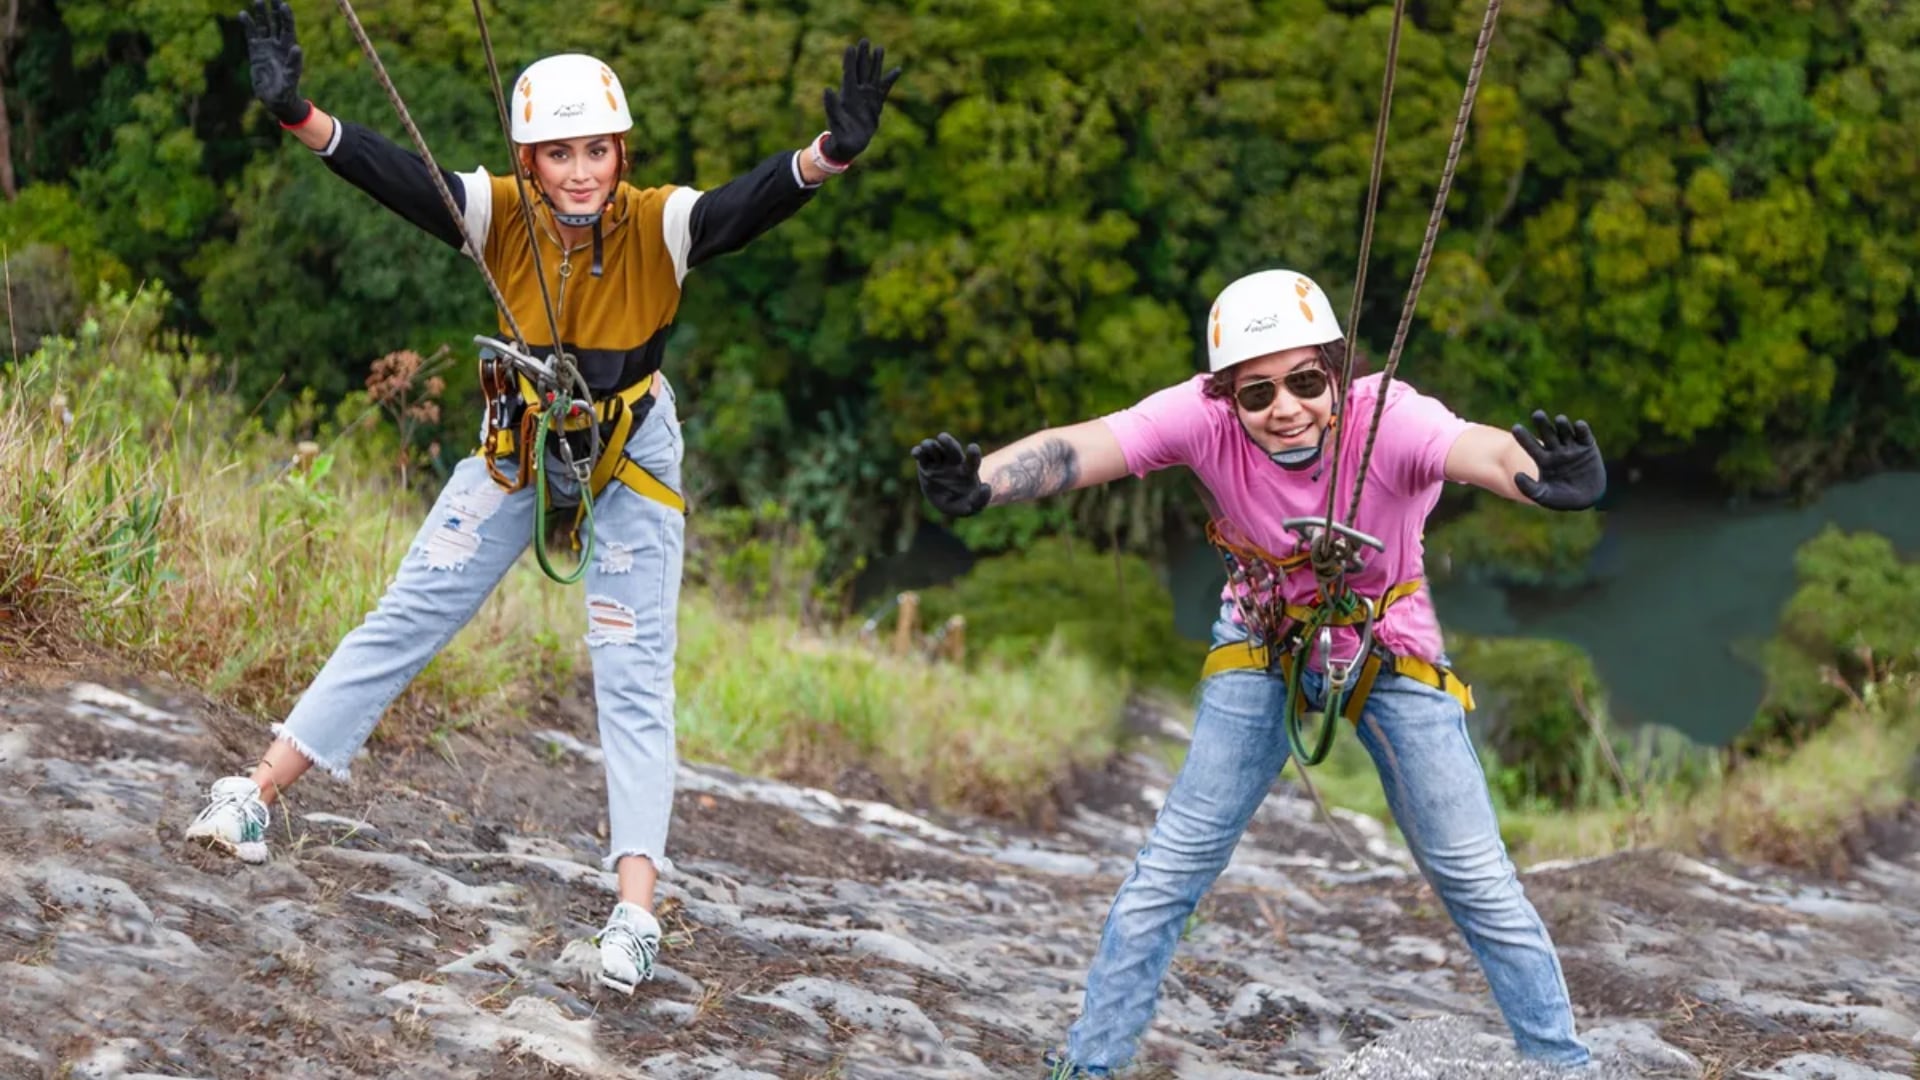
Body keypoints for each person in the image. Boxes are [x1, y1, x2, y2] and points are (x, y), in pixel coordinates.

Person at [186, 0, 901, 995]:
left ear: (620, 153)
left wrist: (828, 156)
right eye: (559, 153)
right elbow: (399, 176)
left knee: (632, 675)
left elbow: (744, 206)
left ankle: (635, 914)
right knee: (408, 614)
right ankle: (255, 794)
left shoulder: (658, 223)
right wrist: (296, 113)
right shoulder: (500, 214)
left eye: (596, 150)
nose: (580, 171)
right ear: (530, 161)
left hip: (629, 460)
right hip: (520, 447)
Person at [911, 268, 1603, 1073]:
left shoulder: (1391, 418)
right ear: (1226, 398)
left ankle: (1565, 1067)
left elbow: (1477, 449)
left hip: (1389, 650)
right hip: (1264, 644)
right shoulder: (1202, 420)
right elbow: (1090, 445)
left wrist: (1538, 479)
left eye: (1307, 382)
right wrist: (985, 482)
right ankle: (1089, 1066)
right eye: (1257, 392)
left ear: (1337, 372)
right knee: (1171, 868)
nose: (1286, 408)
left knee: (1475, 878)